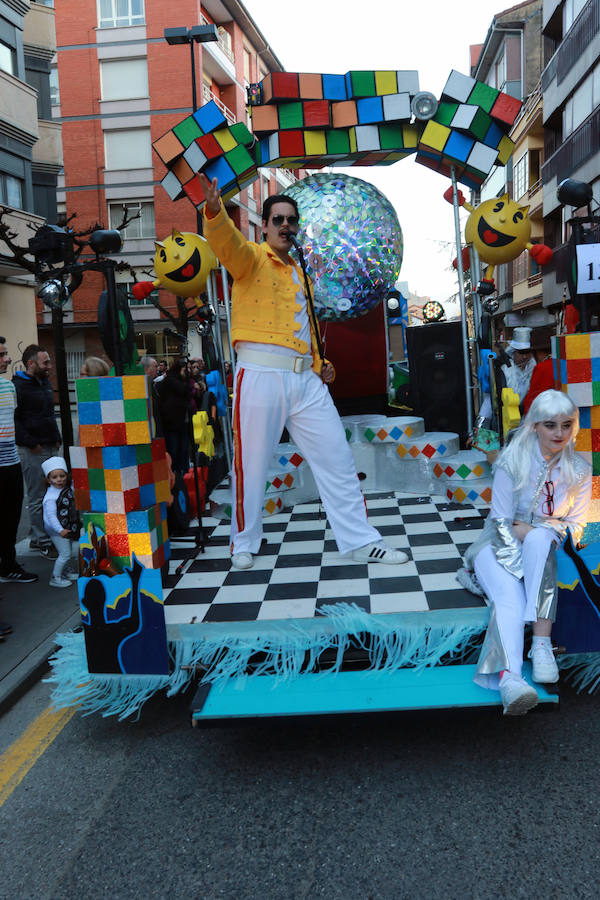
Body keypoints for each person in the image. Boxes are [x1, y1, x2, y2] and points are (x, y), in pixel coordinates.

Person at [198, 173, 408, 570]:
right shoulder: (251, 258)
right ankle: (243, 542)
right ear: (264, 226)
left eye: (291, 220)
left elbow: (305, 325)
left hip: (305, 380)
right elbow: (227, 245)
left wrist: (319, 364)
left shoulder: (300, 272)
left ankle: (360, 539)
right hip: (260, 372)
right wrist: (214, 212)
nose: (285, 226)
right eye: (277, 220)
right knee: (252, 463)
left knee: (338, 459)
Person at [462, 390, 591, 716]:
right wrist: (524, 570)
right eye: (550, 425)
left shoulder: (579, 469)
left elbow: (576, 527)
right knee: (511, 599)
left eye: (566, 424)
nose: (559, 434)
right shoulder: (511, 461)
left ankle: (541, 644)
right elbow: (501, 523)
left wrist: (537, 533)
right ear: (535, 425)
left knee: (538, 541)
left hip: (542, 546)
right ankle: (510, 680)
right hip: (496, 545)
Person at [0, 337, 37, 640]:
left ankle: (8, 563)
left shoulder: (9, 387)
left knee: (11, 517)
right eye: (1, 355)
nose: (5, 358)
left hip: (10, 462)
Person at [13, 344, 61, 559]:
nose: (49, 366)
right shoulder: (18, 387)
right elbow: (14, 420)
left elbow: (49, 413)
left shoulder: (44, 383)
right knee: (37, 496)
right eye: (45, 362)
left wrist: (56, 438)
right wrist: (31, 442)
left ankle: (42, 536)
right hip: (33, 448)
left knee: (53, 493)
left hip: (50, 444)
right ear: (31, 363)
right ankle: (41, 540)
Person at [41, 457, 79, 588]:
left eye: (62, 476)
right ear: (49, 480)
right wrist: (59, 530)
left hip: (66, 526)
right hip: (57, 530)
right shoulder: (50, 497)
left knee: (67, 550)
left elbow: (74, 489)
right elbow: (51, 517)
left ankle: (66, 571)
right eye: (55, 477)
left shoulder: (66, 488)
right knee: (65, 553)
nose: (59, 479)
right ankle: (55, 577)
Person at [156, 358, 196, 474]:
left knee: (183, 448)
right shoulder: (171, 380)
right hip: (172, 422)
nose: (187, 372)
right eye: (185, 369)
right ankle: (175, 472)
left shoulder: (179, 381)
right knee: (174, 449)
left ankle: (182, 471)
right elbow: (182, 390)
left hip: (183, 421)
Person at [501, 326, 536, 406]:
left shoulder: (534, 366)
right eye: (521, 352)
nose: (524, 356)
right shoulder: (506, 370)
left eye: (527, 352)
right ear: (513, 352)